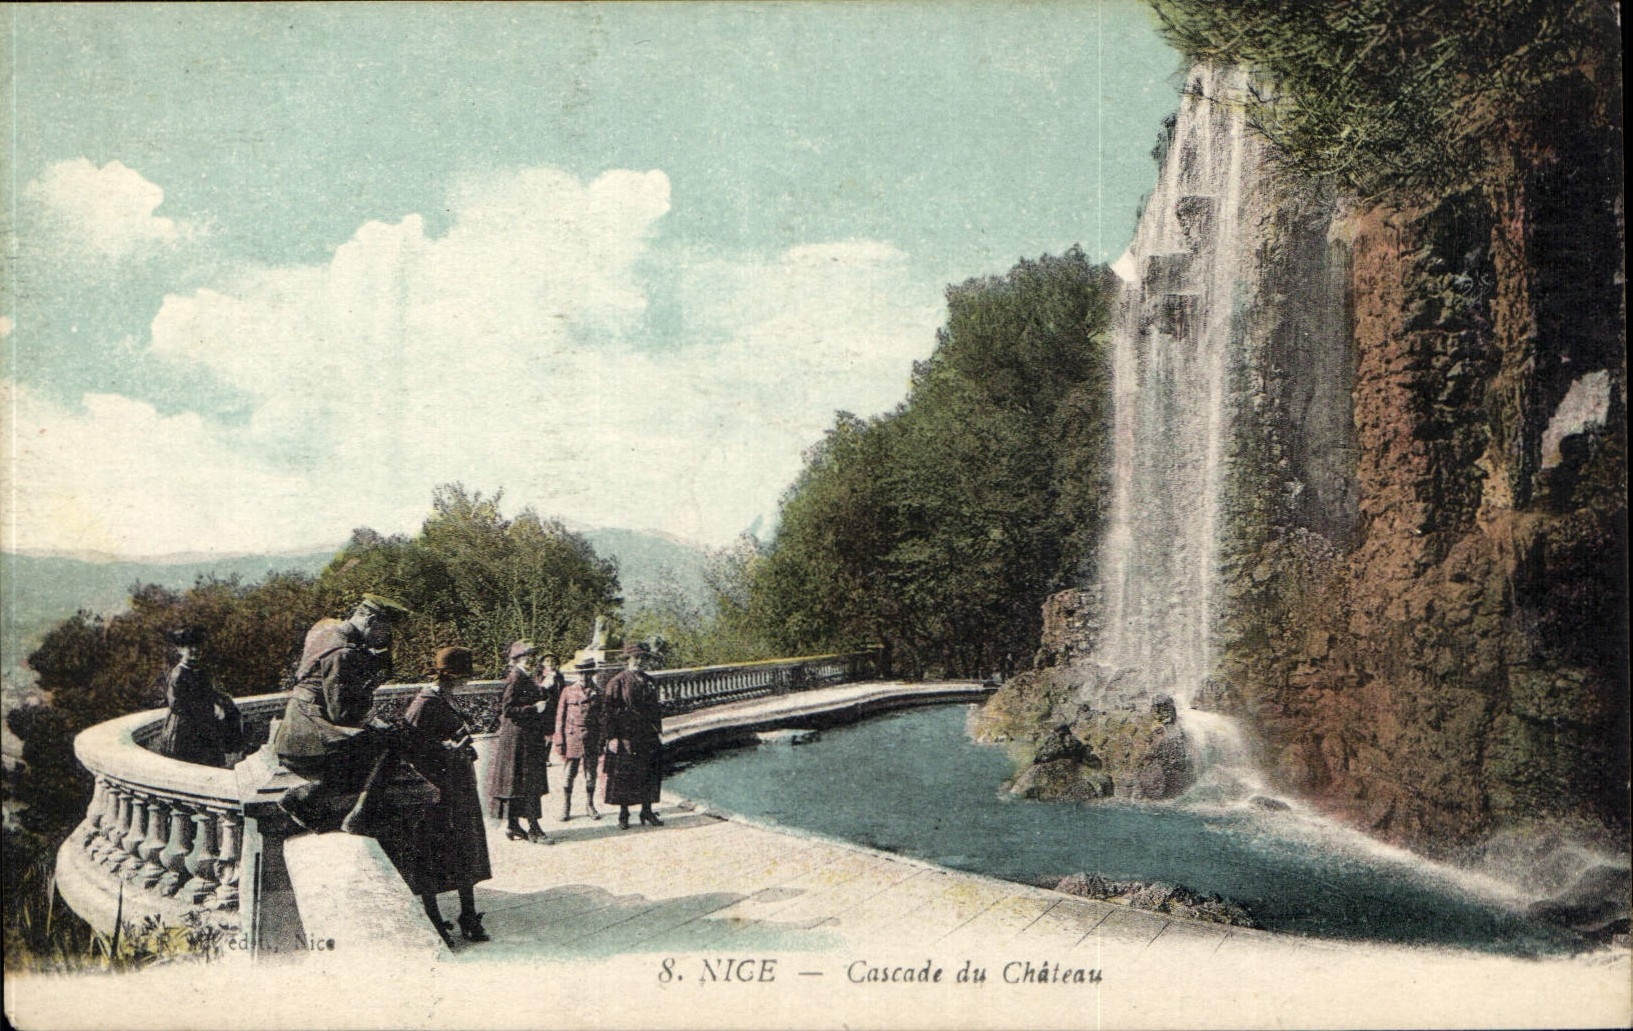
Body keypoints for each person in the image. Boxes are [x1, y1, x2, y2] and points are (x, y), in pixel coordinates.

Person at [271, 593, 411, 832]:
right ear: (370, 621)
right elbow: (343, 714)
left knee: (363, 753)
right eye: (384, 631)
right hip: (306, 743)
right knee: (392, 744)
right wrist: (372, 681)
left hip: (296, 734)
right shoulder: (343, 652)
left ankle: (308, 796)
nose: (385, 639)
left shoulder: (330, 633)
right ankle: (357, 815)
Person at [387, 647, 492, 946]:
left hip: (457, 788)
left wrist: (460, 746)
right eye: (465, 677)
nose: (468, 683)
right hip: (437, 793)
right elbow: (409, 750)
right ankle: (434, 918)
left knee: (465, 851)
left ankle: (468, 915)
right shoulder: (424, 703)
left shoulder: (443, 698)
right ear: (449, 676)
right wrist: (445, 749)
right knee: (432, 856)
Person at [485, 640, 554, 843]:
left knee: (518, 783)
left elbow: (526, 699)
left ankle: (514, 825)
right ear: (517, 659)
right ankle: (534, 829)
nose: (532, 660)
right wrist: (534, 709)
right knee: (527, 782)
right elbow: (507, 710)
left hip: (524, 737)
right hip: (519, 739)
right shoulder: (516, 677)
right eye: (528, 656)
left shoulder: (525, 676)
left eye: (532, 656)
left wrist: (542, 690)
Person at [155, 627, 244, 768]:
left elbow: (209, 692)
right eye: (190, 647)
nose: (195, 650)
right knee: (189, 765)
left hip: (204, 724)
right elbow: (177, 704)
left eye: (197, 646)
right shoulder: (179, 674)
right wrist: (208, 709)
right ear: (180, 650)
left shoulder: (201, 671)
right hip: (185, 728)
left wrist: (223, 702)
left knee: (211, 762)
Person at [601, 641, 664, 829]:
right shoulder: (617, 682)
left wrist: (657, 730)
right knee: (626, 775)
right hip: (626, 735)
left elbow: (655, 709)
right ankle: (624, 814)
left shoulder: (649, 681)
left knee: (650, 772)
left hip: (647, 734)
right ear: (627, 660)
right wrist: (612, 737)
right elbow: (608, 712)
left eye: (642, 658)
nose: (639, 662)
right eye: (636, 658)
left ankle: (647, 810)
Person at [553, 657, 604, 821]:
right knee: (569, 775)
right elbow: (560, 717)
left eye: (588, 673)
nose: (584, 676)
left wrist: (602, 740)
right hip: (572, 737)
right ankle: (566, 807)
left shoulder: (598, 692)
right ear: (577, 674)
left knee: (591, 775)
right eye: (581, 673)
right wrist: (559, 739)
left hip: (591, 737)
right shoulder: (568, 691)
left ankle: (590, 805)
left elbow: (603, 719)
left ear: (592, 674)